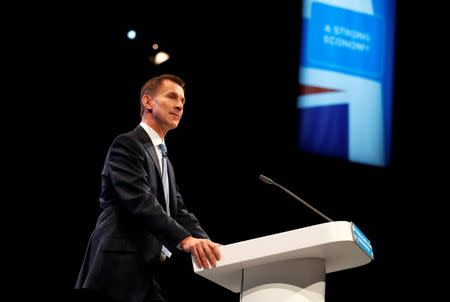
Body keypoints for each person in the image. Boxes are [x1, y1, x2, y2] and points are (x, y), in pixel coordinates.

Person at [75, 74, 221, 302]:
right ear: (148, 101)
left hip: (144, 268)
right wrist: (184, 239)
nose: (180, 105)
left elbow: (179, 211)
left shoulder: (165, 160)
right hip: (116, 265)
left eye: (183, 100)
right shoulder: (127, 144)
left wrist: (208, 245)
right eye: (172, 96)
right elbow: (140, 201)